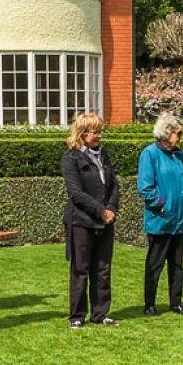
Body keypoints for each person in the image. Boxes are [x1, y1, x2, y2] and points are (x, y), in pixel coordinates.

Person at [137, 111, 183, 316]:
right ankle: (150, 304)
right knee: (155, 265)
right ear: (166, 133)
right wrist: (161, 204)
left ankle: (176, 302)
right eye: (178, 133)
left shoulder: (181, 155)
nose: (180, 137)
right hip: (161, 220)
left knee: (177, 265)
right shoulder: (150, 154)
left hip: (180, 219)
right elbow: (145, 187)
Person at [62, 112, 120, 327]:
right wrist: (100, 211)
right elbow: (75, 192)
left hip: (106, 221)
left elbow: (113, 185)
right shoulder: (71, 158)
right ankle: (77, 316)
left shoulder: (103, 156)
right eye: (94, 131)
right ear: (82, 133)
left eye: (100, 130)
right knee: (81, 269)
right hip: (81, 221)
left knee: (103, 268)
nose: (99, 136)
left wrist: (112, 208)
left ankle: (100, 313)